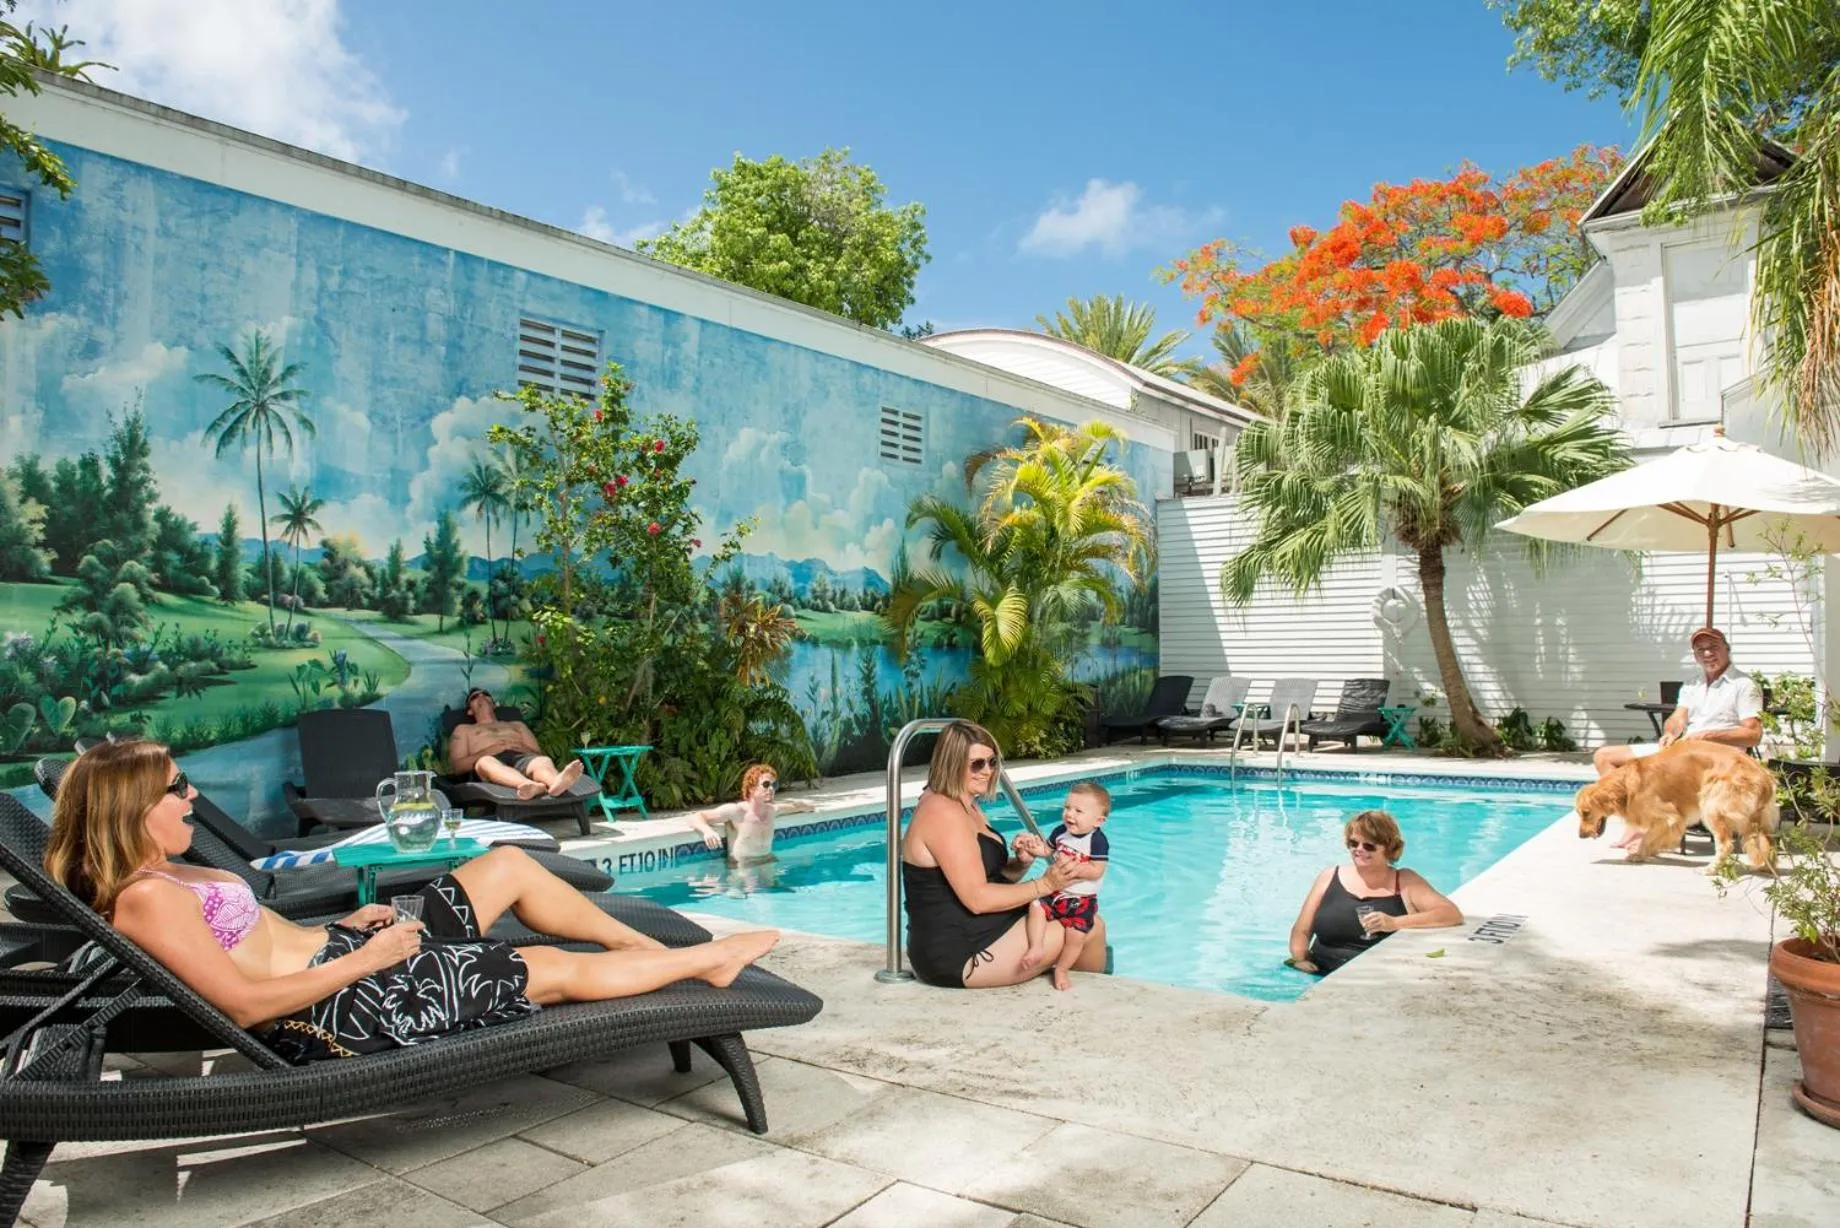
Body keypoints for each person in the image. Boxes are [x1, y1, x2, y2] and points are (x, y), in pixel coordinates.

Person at [44, 739, 780, 1061]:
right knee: (549, 967)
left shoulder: (174, 873)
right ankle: (702, 967)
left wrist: (344, 926)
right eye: (175, 788)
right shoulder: (146, 899)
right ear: (130, 808)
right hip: (337, 1009)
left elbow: (256, 936)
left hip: (341, 957)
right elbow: (241, 1005)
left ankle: (655, 960)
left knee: (505, 864)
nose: (192, 796)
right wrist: (369, 959)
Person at [900, 720, 1101, 988]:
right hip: (956, 952)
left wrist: (1020, 864)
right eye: (977, 764)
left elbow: (980, 877)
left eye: (992, 762)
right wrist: (1046, 884)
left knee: (1081, 922)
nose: (987, 771)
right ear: (951, 763)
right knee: (1092, 928)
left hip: (979, 926)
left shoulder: (965, 802)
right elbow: (978, 898)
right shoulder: (943, 813)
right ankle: (1095, 1008)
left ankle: (1082, 999)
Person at [1591, 626, 1763, 852]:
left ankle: (1646, 825)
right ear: (1695, 656)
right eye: (1700, 649)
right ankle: (1634, 821)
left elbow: (1753, 735)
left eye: (1713, 647)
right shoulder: (1693, 684)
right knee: (1604, 757)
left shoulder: (1744, 685)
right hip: (1683, 751)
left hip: (1716, 760)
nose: (1708, 653)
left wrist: (1708, 736)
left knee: (1649, 773)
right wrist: (1670, 733)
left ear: (1727, 648)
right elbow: (1677, 718)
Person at [1286, 810, 1463, 975]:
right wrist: (1300, 960)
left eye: (1369, 846)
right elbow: (1301, 930)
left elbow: (1450, 914)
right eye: (1353, 843)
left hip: (1376, 974)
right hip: (1319, 971)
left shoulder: (1405, 881)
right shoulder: (1329, 876)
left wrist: (1394, 922)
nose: (1359, 849)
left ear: (1388, 847)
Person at [1014, 780, 1110, 992]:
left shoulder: (1097, 840)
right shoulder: (1060, 831)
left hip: (1080, 899)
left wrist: (1076, 869)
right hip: (1056, 891)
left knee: (1076, 935)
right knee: (1036, 906)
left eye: (1078, 811)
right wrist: (1032, 848)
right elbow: (1047, 852)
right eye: (1067, 808)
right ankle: (1037, 947)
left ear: (1098, 820)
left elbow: (1097, 870)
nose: (1069, 814)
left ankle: (1062, 970)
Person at [448, 688, 585, 800]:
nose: (481, 696)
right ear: (470, 711)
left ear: (494, 704)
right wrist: (489, 750)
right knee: (484, 762)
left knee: (542, 761)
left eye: (486, 694)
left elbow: (538, 753)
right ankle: (528, 785)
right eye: (474, 697)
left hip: (522, 757)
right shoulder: (463, 729)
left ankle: (555, 783)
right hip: (491, 762)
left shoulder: (517, 725)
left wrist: (522, 748)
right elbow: (457, 766)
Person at [686, 764, 816, 864]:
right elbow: (696, 818)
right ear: (751, 788)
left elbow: (794, 807)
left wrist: (809, 806)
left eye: (774, 785)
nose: (771, 789)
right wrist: (707, 831)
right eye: (766, 784)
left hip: (768, 862)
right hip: (744, 868)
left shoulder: (772, 811)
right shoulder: (737, 812)